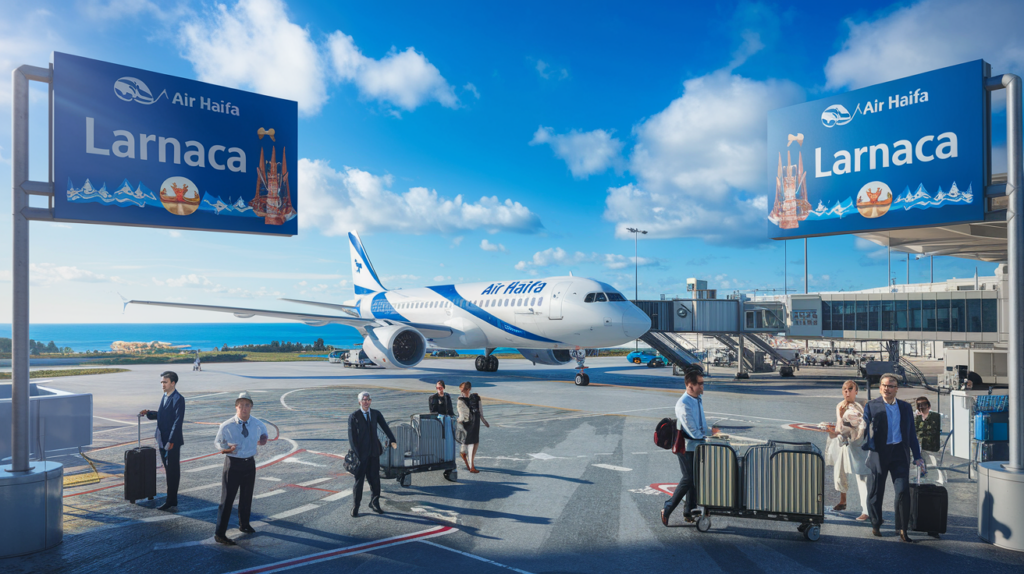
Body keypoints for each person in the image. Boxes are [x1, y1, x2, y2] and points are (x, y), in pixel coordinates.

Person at [862, 374, 926, 542]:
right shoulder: (871, 406)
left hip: (899, 453)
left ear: (896, 389)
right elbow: (863, 427)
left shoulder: (905, 408)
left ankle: (903, 528)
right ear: (880, 387)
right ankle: (876, 523)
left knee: (903, 491)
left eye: (890, 386)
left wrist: (917, 456)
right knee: (876, 491)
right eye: (883, 385)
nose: (886, 389)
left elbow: (911, 433)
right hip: (879, 454)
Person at [212, 392, 268, 545]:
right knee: (227, 499)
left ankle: (244, 524)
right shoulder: (227, 425)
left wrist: (263, 438)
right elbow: (218, 442)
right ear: (236, 407)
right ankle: (220, 533)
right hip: (233, 464)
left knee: (246, 496)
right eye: (241, 405)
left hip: (249, 463)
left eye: (247, 405)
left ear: (251, 407)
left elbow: (264, 433)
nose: (244, 408)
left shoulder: (257, 423)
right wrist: (226, 449)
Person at [661, 369, 707, 526]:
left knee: (693, 479)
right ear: (690, 385)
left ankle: (689, 510)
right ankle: (668, 507)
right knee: (688, 478)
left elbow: (701, 422)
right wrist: (705, 437)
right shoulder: (684, 404)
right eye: (700, 384)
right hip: (686, 447)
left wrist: (707, 434)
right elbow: (692, 430)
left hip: (696, 446)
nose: (702, 387)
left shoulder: (697, 399)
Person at [138, 371, 184, 511]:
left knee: (172, 471)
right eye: (162, 382)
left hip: (171, 442)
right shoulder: (165, 396)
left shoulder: (178, 399)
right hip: (162, 439)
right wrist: (149, 414)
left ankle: (171, 500)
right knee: (168, 470)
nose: (162, 385)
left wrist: (171, 440)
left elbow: (177, 422)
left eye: (165, 382)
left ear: (173, 383)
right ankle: (172, 500)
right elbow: (163, 415)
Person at [347, 391, 397, 517]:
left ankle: (375, 502)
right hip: (361, 455)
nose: (366, 402)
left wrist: (392, 440)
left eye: (368, 399)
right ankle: (356, 506)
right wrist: (359, 456)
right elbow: (352, 439)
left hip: (374, 453)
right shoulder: (354, 416)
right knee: (359, 482)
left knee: (375, 480)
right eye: (364, 400)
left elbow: (385, 427)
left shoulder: (376, 414)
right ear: (359, 401)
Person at [826, 380, 870, 521]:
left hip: (858, 444)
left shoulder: (863, 404)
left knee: (862, 477)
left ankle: (866, 510)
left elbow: (862, 425)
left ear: (856, 391)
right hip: (844, 443)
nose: (847, 391)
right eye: (844, 389)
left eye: (850, 389)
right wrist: (837, 422)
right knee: (840, 471)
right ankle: (843, 500)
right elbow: (839, 427)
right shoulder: (840, 405)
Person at [457, 381, 489, 474]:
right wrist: (459, 420)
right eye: (461, 390)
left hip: (476, 422)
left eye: (463, 390)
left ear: (469, 389)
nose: (462, 392)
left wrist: (484, 420)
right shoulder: (460, 399)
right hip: (468, 423)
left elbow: (480, 410)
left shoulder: (476, 397)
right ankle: (472, 466)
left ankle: (465, 455)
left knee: (475, 442)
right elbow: (461, 413)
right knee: (470, 442)